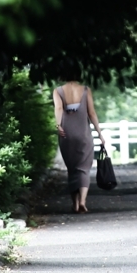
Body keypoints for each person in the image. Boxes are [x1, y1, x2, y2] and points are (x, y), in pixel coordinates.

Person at [53, 79, 106, 213]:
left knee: (72, 169)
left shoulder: (58, 91)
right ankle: (83, 201)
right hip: (84, 135)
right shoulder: (85, 90)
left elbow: (58, 108)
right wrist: (100, 134)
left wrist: (58, 125)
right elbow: (92, 113)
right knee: (83, 168)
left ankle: (75, 204)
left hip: (66, 134)